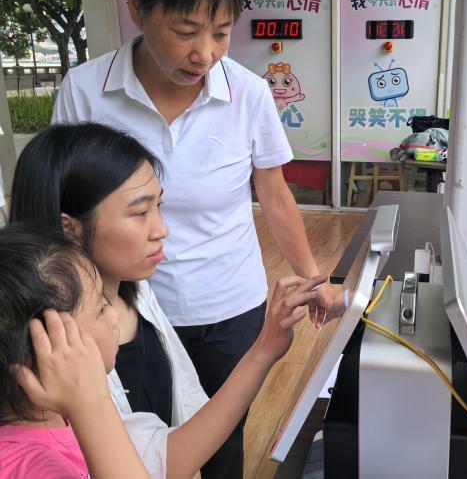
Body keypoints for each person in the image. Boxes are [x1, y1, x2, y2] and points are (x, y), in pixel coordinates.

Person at [52, 0, 337, 476]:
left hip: (229, 304)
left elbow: (275, 196)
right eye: (185, 31)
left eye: (222, 33)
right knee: (133, 446)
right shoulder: (86, 90)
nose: (204, 53)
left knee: (223, 441)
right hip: (126, 310)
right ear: (136, 6)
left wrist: (314, 278)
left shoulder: (248, 93)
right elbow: (61, 208)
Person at [10, 122, 327, 478]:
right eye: (139, 212)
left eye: (158, 206)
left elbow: (168, 453)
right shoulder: (55, 375)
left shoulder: (139, 294)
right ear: (69, 227)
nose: (162, 229)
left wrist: (267, 346)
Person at [0, 225, 149, 478]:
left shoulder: (64, 411)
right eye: (100, 308)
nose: (114, 316)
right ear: (44, 352)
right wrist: (92, 405)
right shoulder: (30, 468)